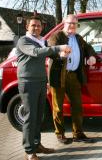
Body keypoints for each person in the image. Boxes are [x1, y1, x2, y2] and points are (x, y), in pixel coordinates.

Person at [16, 15, 71, 160]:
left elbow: (51, 55)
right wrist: (59, 47)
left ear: (42, 27)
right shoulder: (24, 41)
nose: (36, 28)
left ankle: (37, 144)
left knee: (39, 115)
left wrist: (61, 55)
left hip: (40, 82)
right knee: (30, 117)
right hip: (28, 83)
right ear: (27, 27)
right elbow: (36, 52)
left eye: (39, 25)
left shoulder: (41, 41)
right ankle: (29, 152)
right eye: (33, 25)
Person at [48, 14, 99, 144]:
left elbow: (88, 47)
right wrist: (60, 54)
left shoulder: (78, 38)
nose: (72, 26)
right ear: (64, 23)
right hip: (59, 75)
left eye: (75, 24)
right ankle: (60, 134)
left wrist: (92, 56)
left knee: (77, 106)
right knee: (58, 107)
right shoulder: (57, 36)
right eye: (70, 23)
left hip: (74, 76)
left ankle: (78, 134)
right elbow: (50, 50)